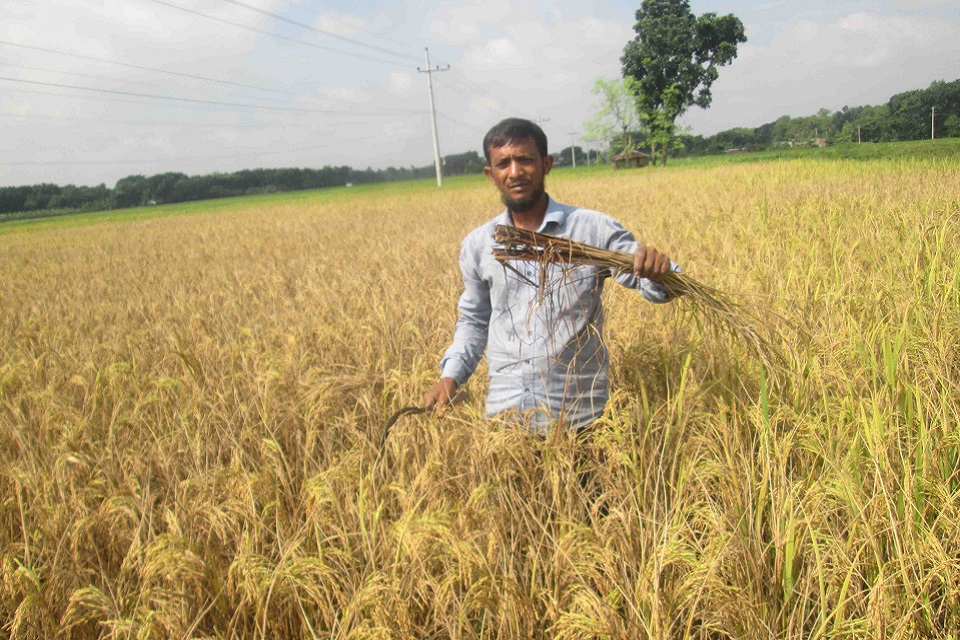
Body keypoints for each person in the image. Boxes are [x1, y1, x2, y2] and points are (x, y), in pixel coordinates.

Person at [421, 118, 680, 430]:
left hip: (580, 417)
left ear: (546, 164)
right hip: (508, 420)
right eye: (503, 163)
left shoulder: (591, 229)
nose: (515, 172)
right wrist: (451, 377)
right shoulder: (479, 244)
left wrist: (659, 274)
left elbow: (657, 287)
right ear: (491, 175)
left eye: (525, 160)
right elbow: (475, 320)